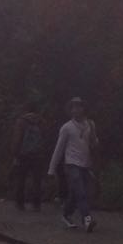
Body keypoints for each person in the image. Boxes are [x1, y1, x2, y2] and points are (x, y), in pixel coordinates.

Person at [48, 96, 99, 231]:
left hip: (85, 164)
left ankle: (66, 214)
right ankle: (87, 220)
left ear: (84, 108)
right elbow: (58, 149)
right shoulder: (67, 128)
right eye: (73, 107)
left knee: (77, 193)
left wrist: (93, 133)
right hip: (71, 164)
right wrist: (51, 170)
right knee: (80, 191)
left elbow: (94, 144)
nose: (75, 110)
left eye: (78, 106)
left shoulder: (90, 125)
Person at [11, 103, 45, 211]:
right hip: (37, 155)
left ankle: (20, 204)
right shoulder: (41, 121)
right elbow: (44, 138)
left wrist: (15, 154)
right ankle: (37, 204)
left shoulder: (21, 121)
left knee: (21, 179)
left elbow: (17, 139)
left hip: (23, 155)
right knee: (37, 180)